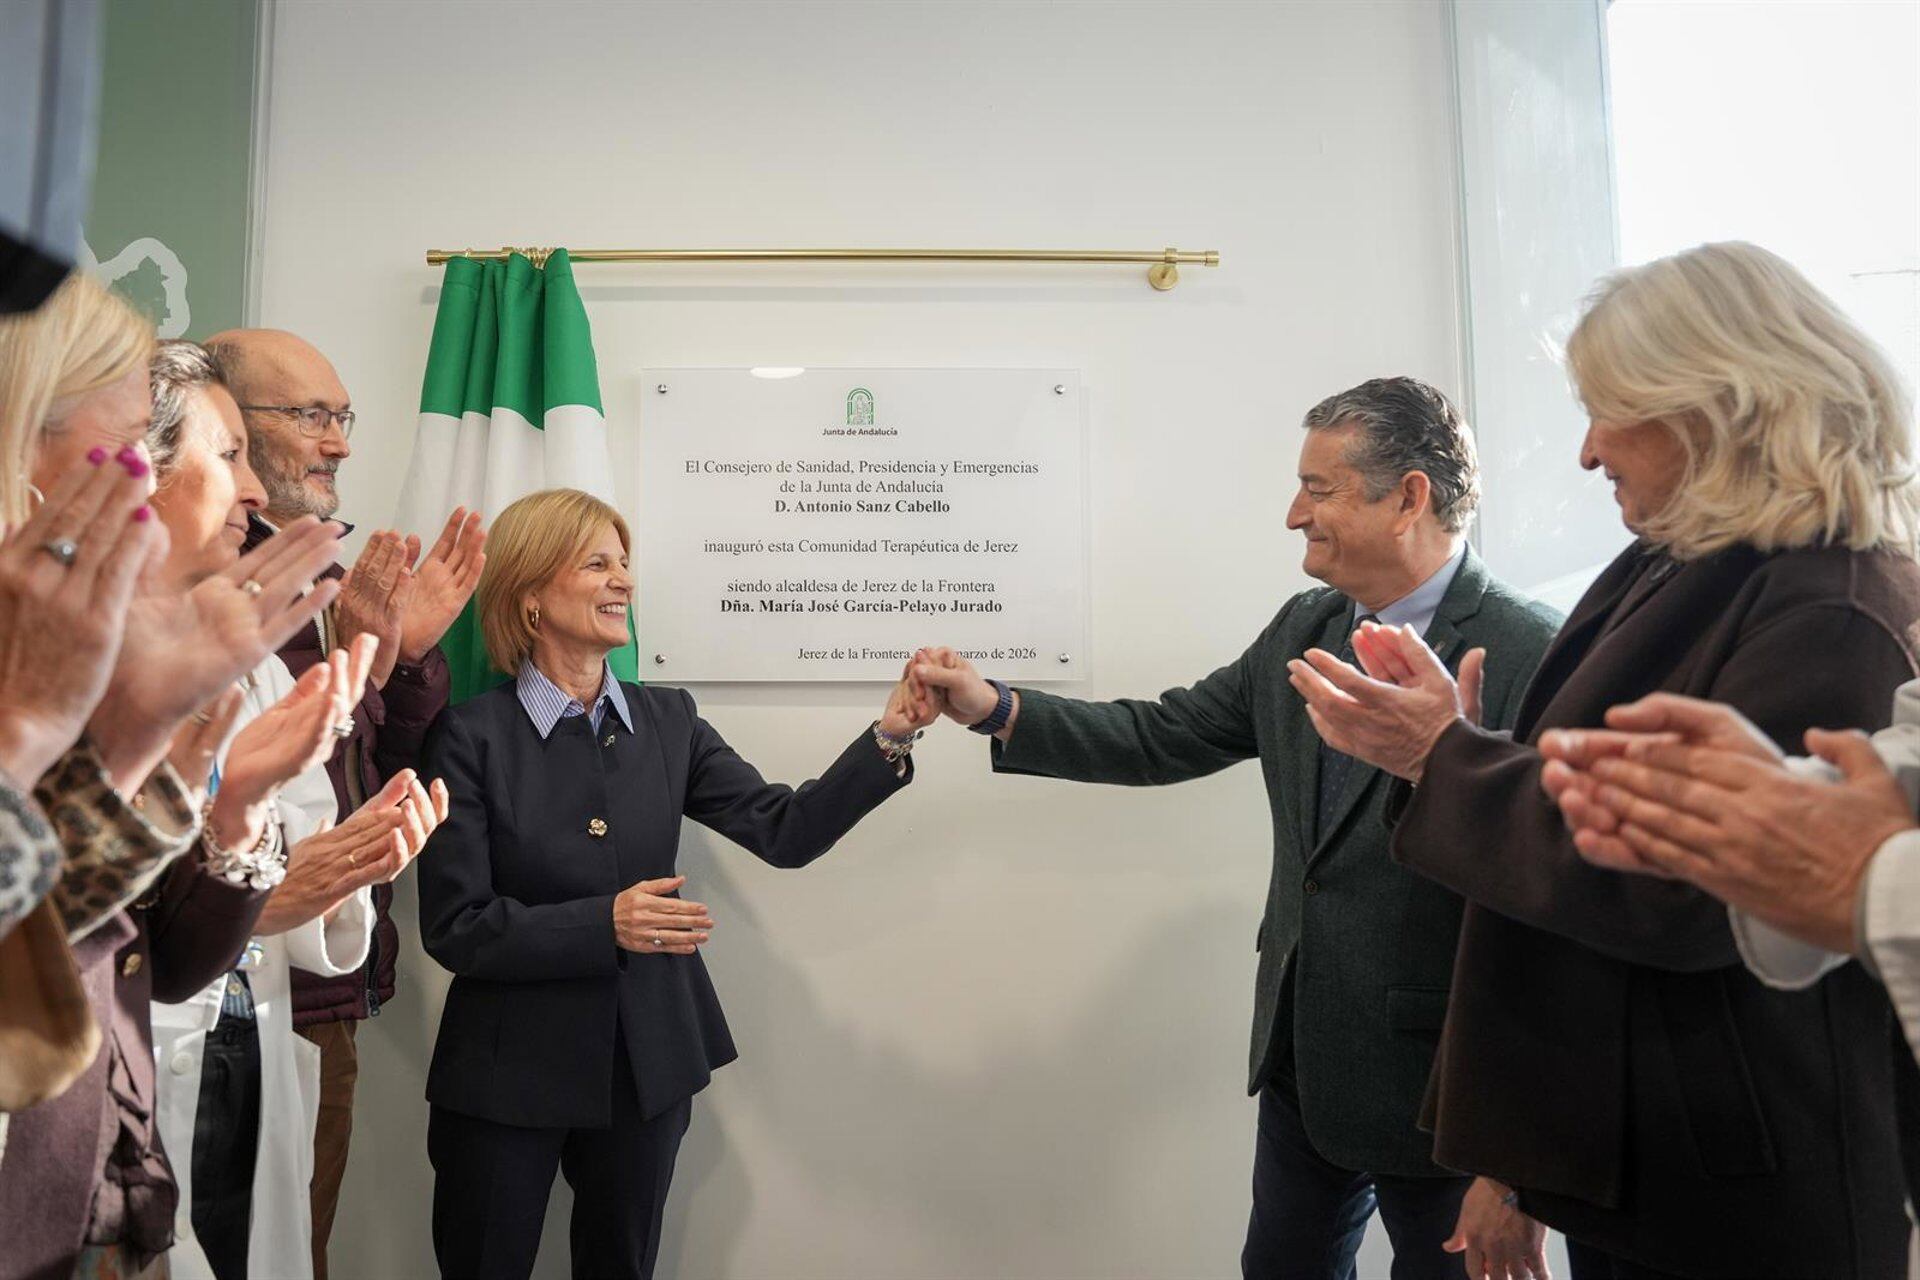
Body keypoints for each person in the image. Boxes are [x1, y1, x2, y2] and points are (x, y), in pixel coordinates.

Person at [1289, 242, 1920, 1280]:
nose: (1586, 452)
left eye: (1609, 409)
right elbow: (1597, 810)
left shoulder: (1835, 605)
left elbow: (1681, 877)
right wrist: (1457, 751)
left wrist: (1443, 756)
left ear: (1717, 406)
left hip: (1744, 1188)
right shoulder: (1690, 562)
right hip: (1654, 1155)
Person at [912, 377, 1562, 1280]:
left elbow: (1555, 920)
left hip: (1448, 1103)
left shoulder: (1537, 650)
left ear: (1409, 495)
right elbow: (1167, 732)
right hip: (1303, 1064)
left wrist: (1517, 1162)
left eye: (1320, 488)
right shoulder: (1310, 624)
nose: (1295, 514)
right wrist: (996, 708)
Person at [416, 487, 939, 1280]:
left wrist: (888, 739)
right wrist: (605, 923)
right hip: (502, 1076)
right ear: (529, 597)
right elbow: (455, 924)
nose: (623, 580)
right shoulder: (468, 735)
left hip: (646, 1060)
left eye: (625, 563)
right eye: (597, 563)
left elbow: (784, 830)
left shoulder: (670, 721)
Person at [0, 275, 348, 1280]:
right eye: (118, 456)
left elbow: (88, 933)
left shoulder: (78, 634)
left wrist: (206, 779)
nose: (144, 495)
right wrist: (85, 740)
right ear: (23, 441)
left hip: (95, 1190)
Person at [137, 339, 449, 1280]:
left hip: (256, 1019)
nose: (251, 494)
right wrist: (255, 881)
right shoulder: (63, 643)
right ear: (133, 466)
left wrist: (350, 863)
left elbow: (309, 816)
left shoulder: (260, 652)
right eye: (226, 455)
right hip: (139, 1036)